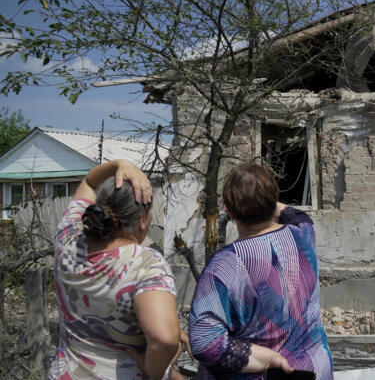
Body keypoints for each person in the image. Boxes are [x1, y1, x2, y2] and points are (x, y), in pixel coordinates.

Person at [189, 163, 333, 379]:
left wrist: (266, 358)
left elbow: (204, 342)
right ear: (273, 199)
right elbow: (293, 213)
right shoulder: (303, 233)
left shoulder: (226, 265)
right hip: (313, 370)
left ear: (228, 211)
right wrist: (266, 198)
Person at [50, 159, 185, 379]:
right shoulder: (145, 264)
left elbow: (90, 182)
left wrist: (120, 165)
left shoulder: (68, 237)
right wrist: (153, 371)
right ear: (142, 220)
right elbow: (164, 339)